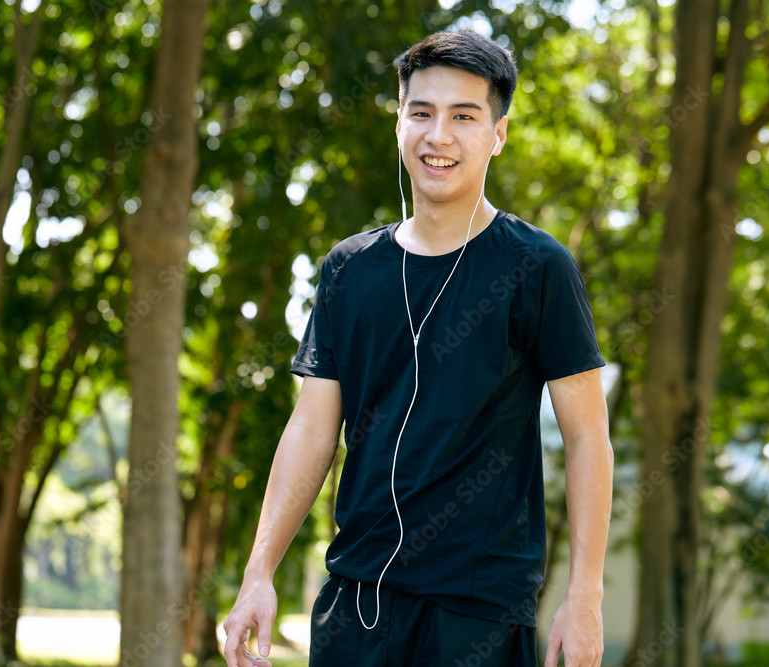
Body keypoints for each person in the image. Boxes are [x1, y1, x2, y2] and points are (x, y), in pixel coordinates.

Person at [223, 29, 613, 667]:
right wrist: (258, 572)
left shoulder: (538, 267)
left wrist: (585, 597)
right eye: (421, 113)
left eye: (464, 116)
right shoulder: (349, 269)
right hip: (357, 604)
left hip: (479, 613)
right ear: (399, 122)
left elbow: (589, 437)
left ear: (498, 135)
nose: (440, 137)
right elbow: (312, 429)